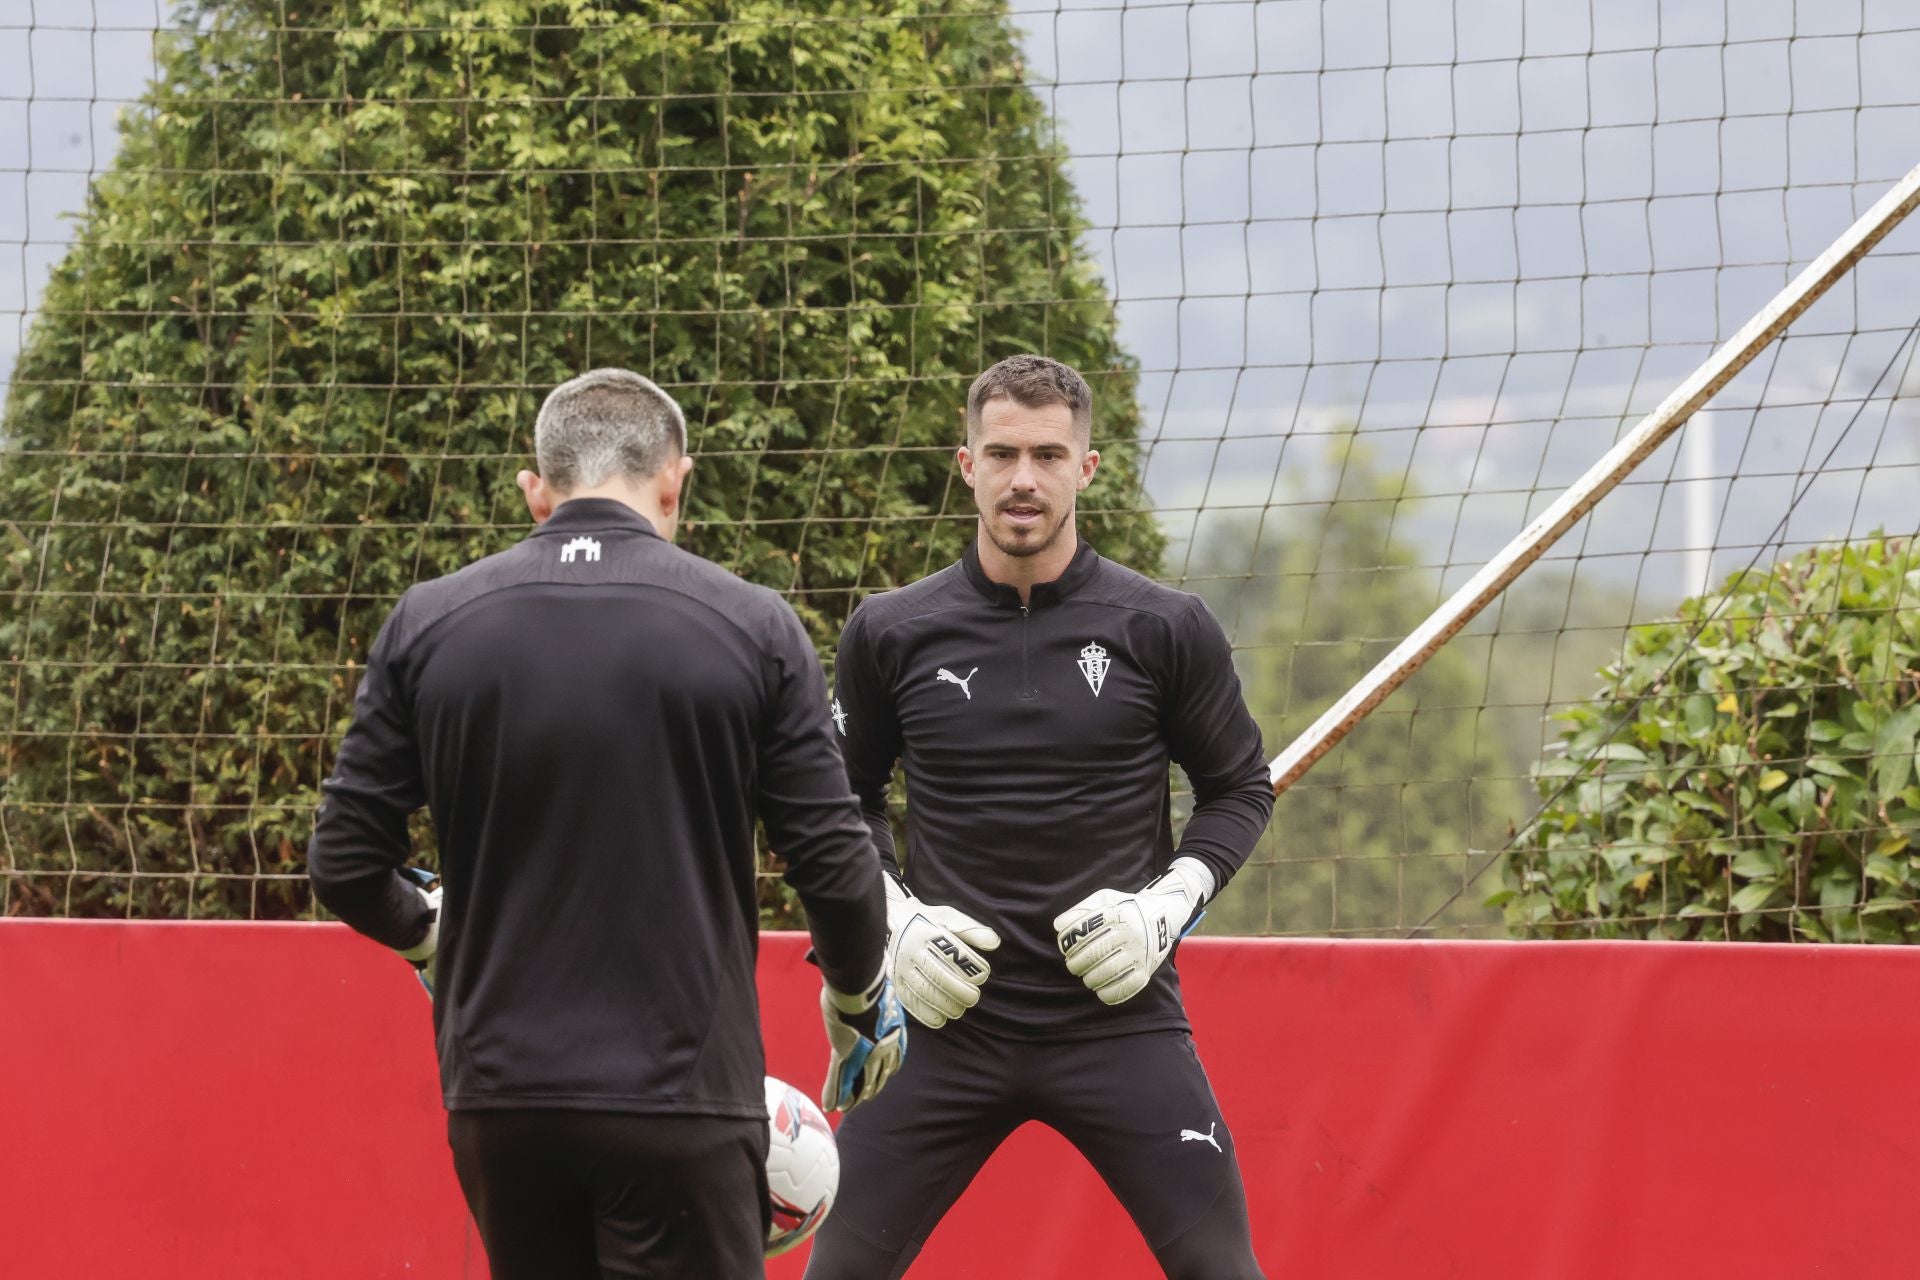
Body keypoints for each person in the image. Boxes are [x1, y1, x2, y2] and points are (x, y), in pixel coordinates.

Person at [308, 367, 906, 1280]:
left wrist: (429, 936)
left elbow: (345, 863)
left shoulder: (427, 623)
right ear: (676, 481)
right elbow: (834, 864)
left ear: (535, 491)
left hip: (501, 1104)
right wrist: (860, 1002)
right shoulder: (753, 626)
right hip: (681, 1098)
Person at [803, 354, 1275, 1279]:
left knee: (1226, 1273)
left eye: (1050, 455)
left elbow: (1239, 789)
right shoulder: (890, 630)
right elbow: (834, 804)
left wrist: (1162, 910)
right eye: (1004, 453)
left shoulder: (1165, 626)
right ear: (966, 463)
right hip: (943, 1027)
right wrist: (893, 925)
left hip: (1120, 1019)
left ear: (1086, 468)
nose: (1025, 478)